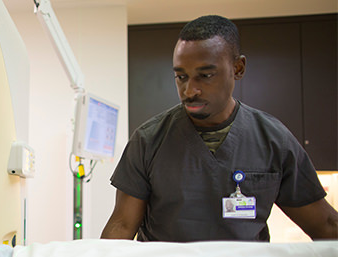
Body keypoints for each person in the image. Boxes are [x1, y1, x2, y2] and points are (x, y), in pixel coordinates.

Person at [102, 15, 338, 242]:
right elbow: (121, 225)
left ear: (238, 68)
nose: (189, 90)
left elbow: (325, 224)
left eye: (205, 75)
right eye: (181, 77)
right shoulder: (148, 141)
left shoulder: (273, 140)